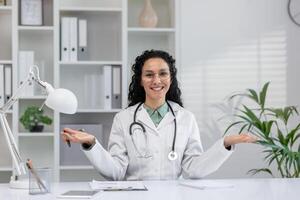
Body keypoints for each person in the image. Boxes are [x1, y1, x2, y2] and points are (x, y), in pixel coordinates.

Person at [62, 50, 256, 181]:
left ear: (170, 78)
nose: (156, 80)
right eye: (149, 74)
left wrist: (225, 144)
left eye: (163, 73)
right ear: (140, 80)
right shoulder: (124, 119)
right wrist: (91, 144)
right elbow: (116, 172)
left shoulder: (185, 118)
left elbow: (194, 169)